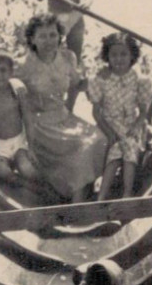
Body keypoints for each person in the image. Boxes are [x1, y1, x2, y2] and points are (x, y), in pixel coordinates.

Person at [18, 13, 106, 202]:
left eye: (52, 35)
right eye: (42, 36)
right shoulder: (23, 65)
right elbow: (8, 95)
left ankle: (81, 191)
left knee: (99, 139)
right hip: (40, 126)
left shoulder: (68, 57)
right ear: (32, 39)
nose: (49, 40)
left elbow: (77, 83)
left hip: (65, 118)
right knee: (79, 149)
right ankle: (76, 200)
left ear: (59, 36)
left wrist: (101, 85)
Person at [87, 33, 152, 199]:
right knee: (115, 151)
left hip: (132, 124)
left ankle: (127, 193)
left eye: (124, 54)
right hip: (110, 124)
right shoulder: (102, 79)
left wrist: (135, 127)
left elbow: (143, 111)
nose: (119, 59)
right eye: (114, 55)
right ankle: (101, 196)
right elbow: (96, 112)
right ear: (107, 57)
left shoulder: (139, 79)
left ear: (132, 56)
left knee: (129, 146)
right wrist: (109, 132)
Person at [0, 53, 41, 183]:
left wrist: (31, 148)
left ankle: (36, 187)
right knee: (3, 172)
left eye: (3, 70)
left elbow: (28, 119)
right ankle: (15, 181)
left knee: (28, 170)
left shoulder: (18, 89)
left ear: (11, 72)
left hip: (18, 142)